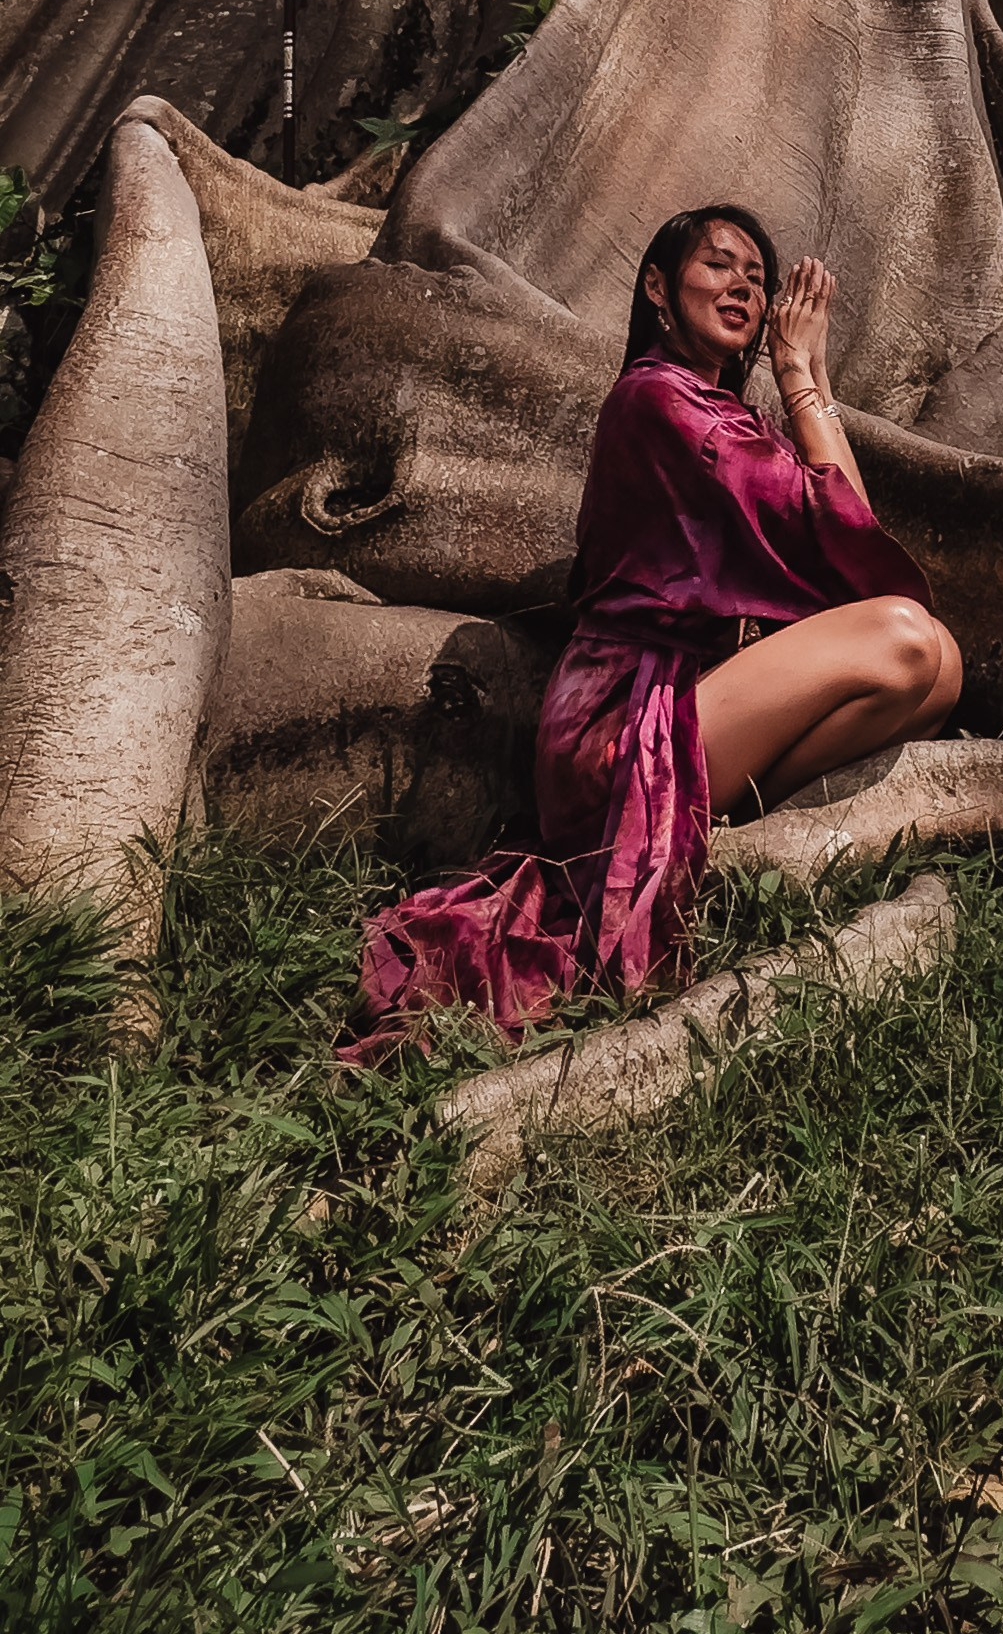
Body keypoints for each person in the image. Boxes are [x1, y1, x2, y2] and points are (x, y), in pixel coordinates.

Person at [348, 204, 960, 1048]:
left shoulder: (725, 418)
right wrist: (797, 377)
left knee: (940, 669)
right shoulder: (657, 401)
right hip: (619, 719)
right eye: (718, 265)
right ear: (657, 287)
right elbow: (843, 535)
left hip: (691, 695)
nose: (743, 287)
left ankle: (716, 821)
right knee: (906, 640)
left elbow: (848, 531)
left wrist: (807, 379)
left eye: (757, 278)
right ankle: (690, 824)